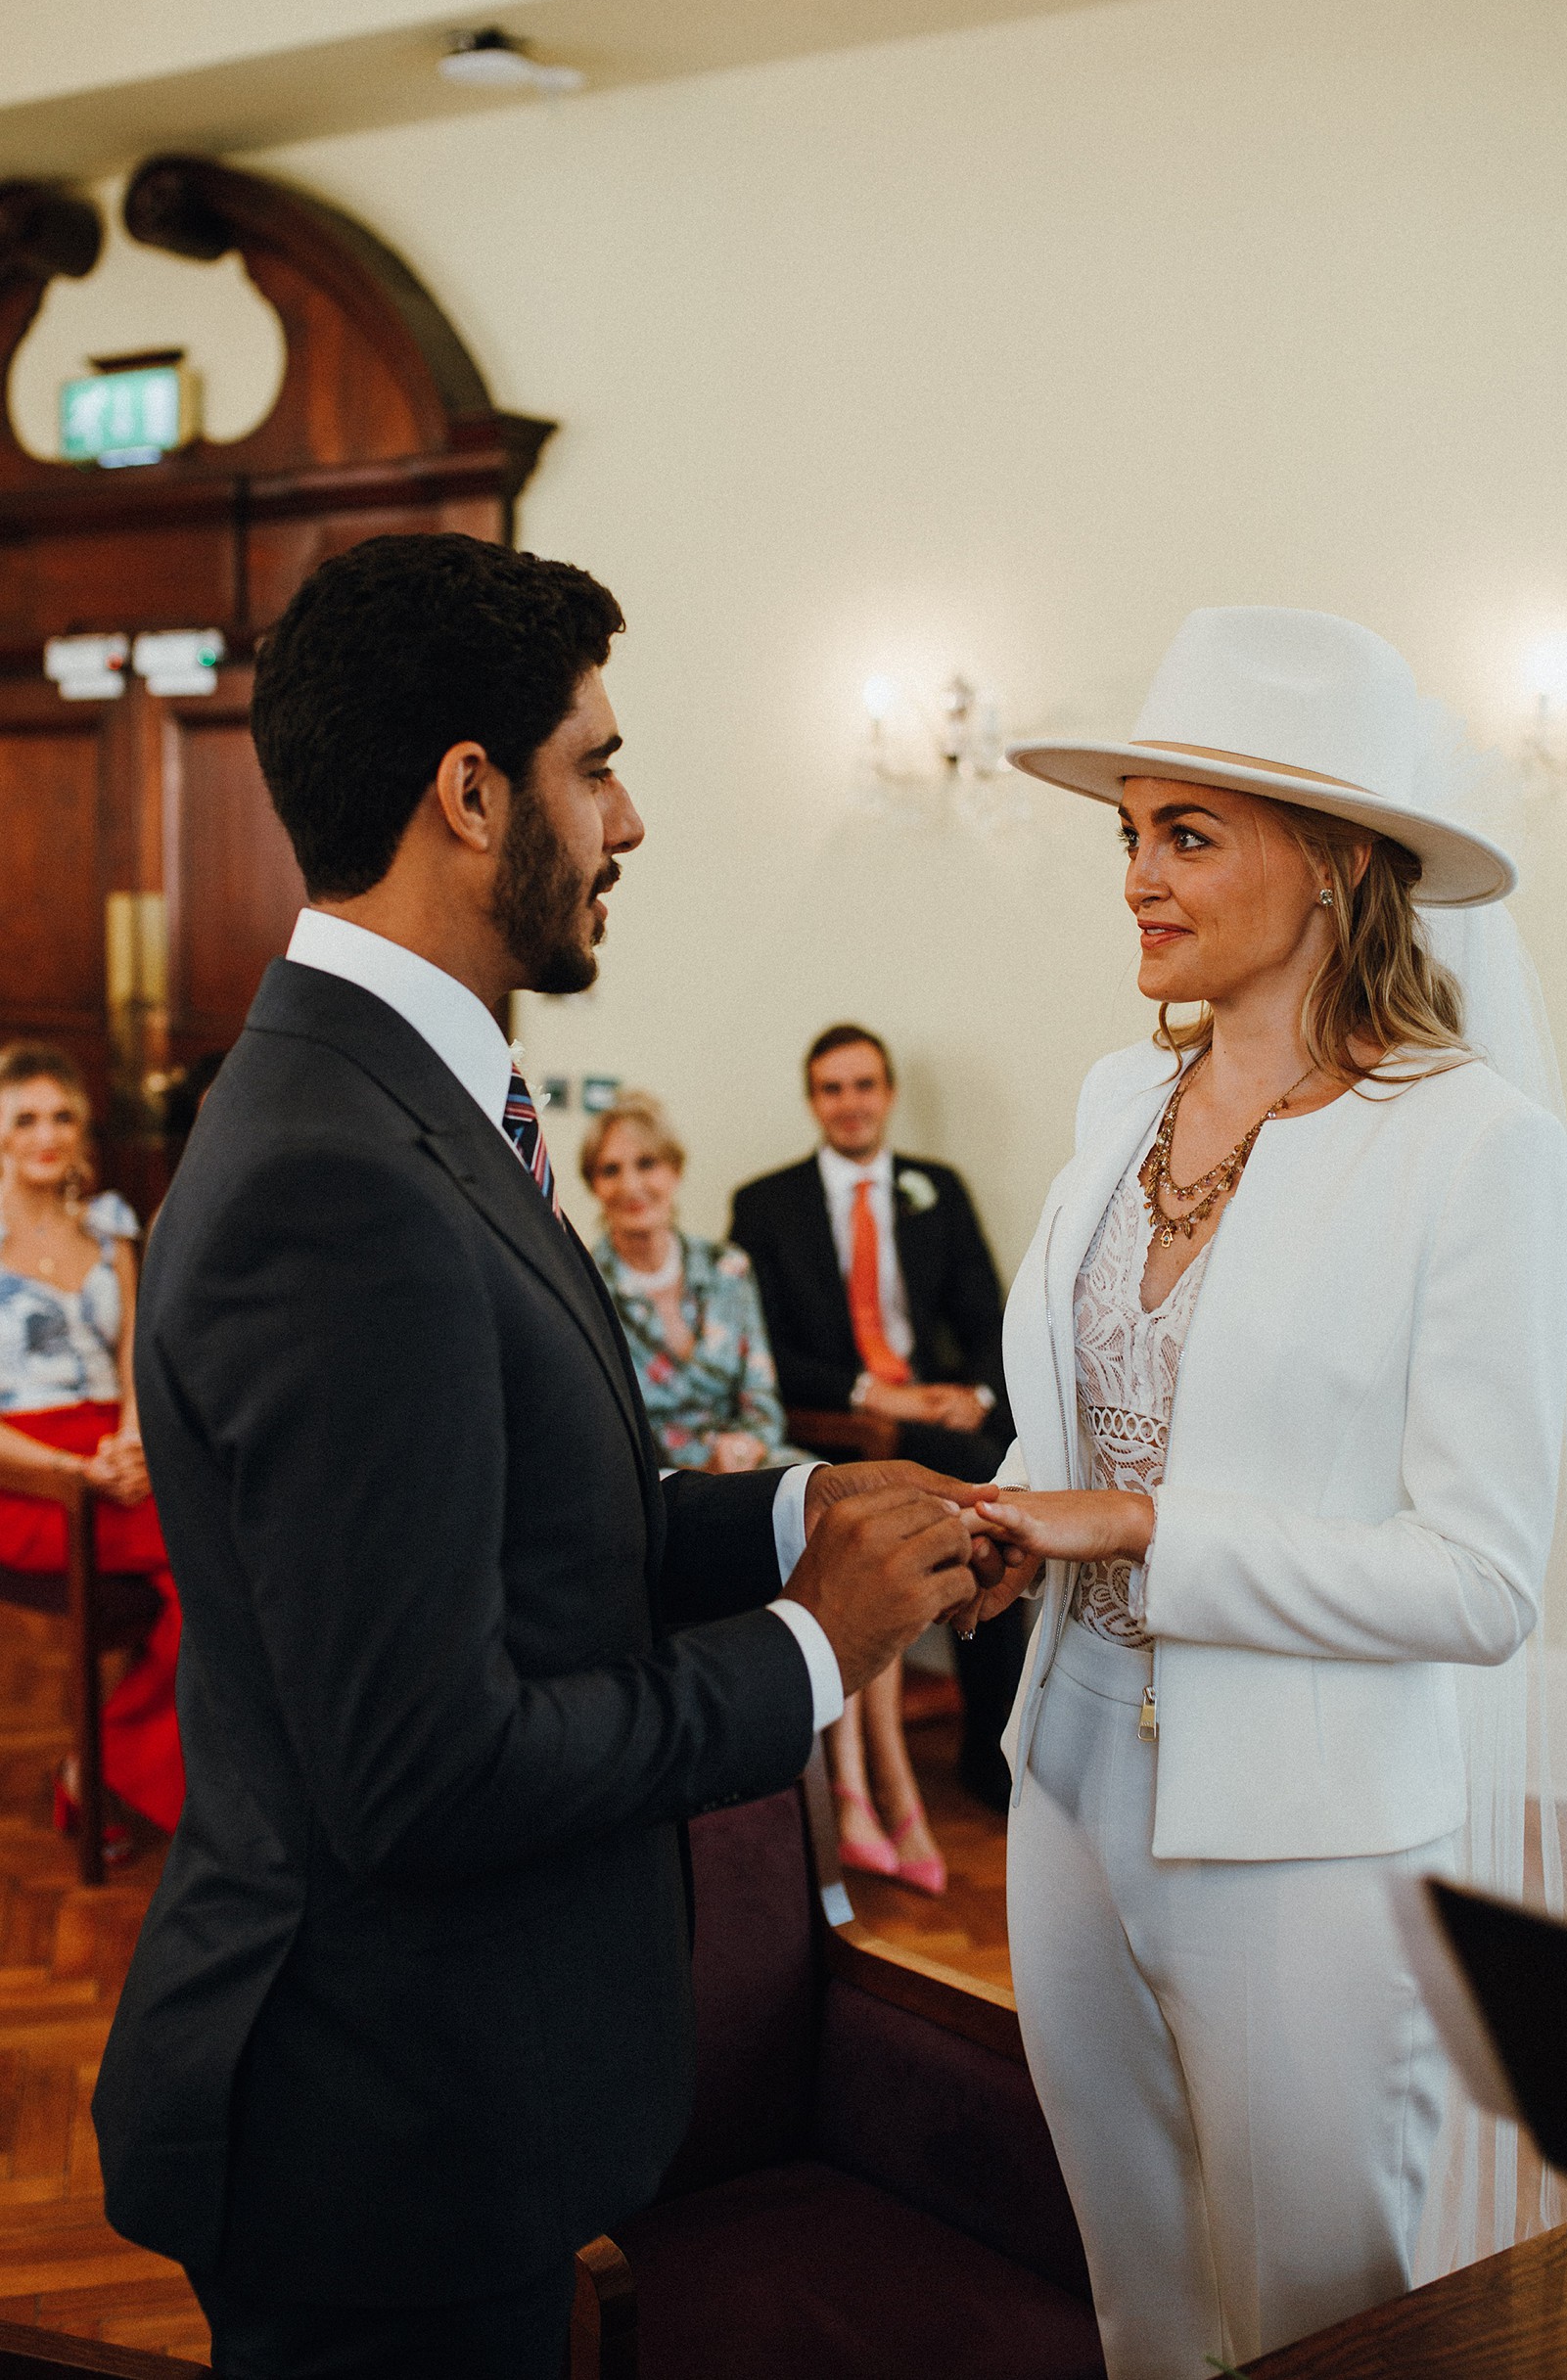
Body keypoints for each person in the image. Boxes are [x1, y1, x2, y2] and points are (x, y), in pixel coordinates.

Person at [92, 533, 1003, 2380]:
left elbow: (535, 1523)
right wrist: (816, 1650)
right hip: (374, 2129)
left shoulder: (419, 1099)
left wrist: (800, 1510)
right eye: (599, 762)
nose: (632, 820)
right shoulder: (331, 1181)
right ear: (472, 791)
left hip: (454, 2092)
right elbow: (425, 1772)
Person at [965, 607, 1567, 2377]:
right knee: (1140, 2303)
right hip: (1063, 1784)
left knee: (1326, 2317)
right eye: (1129, 835)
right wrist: (998, 1523)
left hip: (1311, 1843)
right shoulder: (1116, 1101)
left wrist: (1156, 1532)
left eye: (1186, 837)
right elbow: (1083, 1418)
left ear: (1333, 863)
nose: (1137, 884)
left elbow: (1482, 1579)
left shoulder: (1472, 1146)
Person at [731, 1027, 1026, 1828]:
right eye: (832, 1088)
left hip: (939, 1413)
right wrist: (875, 1396)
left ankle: (995, 1750)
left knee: (997, 1473)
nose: (850, 1103)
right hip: (841, 1426)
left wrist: (979, 1394)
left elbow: (988, 1317)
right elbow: (766, 1351)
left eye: (864, 1085)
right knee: (988, 1486)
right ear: (813, 1101)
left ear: (888, 1094)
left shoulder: (938, 1188)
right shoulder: (766, 1204)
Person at [0, 1045, 184, 1855]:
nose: (47, 1134)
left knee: (238, 1565)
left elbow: (136, 1359)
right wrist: (78, 1471)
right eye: (25, 1118)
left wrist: (135, 1442)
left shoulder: (111, 1230)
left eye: (63, 1116)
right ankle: (117, 1771)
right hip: (28, 1474)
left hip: (121, 1449)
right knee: (230, 1573)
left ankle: (96, 1764)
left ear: (84, 1134)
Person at [584, 1092, 791, 1473]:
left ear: (675, 1171)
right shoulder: (583, 1284)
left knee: (845, 1501)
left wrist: (742, 1451)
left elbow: (762, 1399)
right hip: (649, 1482)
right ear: (593, 1186)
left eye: (647, 1163)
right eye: (610, 1170)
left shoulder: (727, 1267)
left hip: (747, 1466)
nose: (630, 1185)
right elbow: (592, 1422)